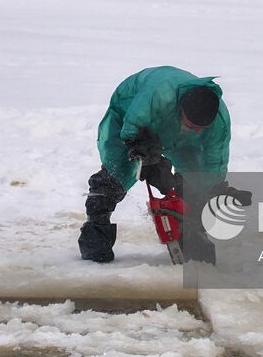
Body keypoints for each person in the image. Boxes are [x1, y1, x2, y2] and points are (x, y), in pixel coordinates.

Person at [78, 65, 242, 264]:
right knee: (117, 173)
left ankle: (189, 230)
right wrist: (147, 157)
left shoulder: (219, 123)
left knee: (194, 181)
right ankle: (96, 228)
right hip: (129, 115)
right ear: (181, 110)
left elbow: (213, 162)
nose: (196, 131)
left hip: (175, 129)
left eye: (201, 128)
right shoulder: (157, 96)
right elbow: (132, 129)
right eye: (191, 126)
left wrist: (213, 189)